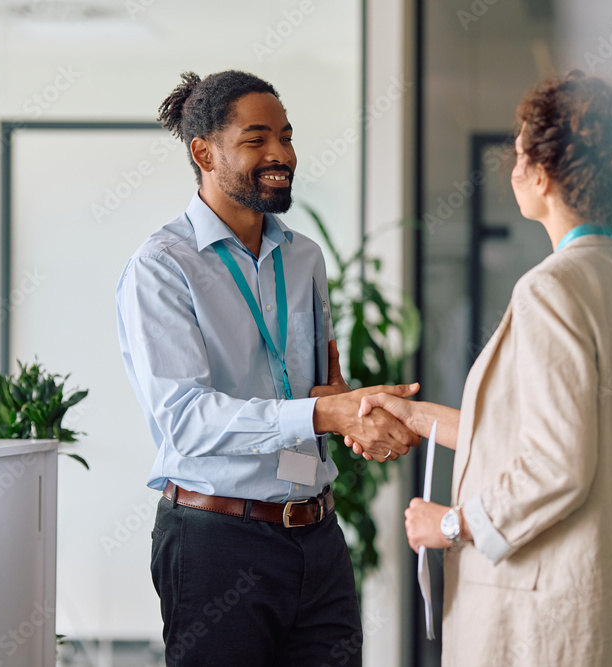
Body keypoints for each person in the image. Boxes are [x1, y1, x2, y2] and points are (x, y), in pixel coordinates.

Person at [353, 70, 612, 665]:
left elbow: (558, 465)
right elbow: (543, 434)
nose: (512, 166)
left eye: (520, 151)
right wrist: (415, 415)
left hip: (544, 617)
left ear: (546, 173)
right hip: (609, 605)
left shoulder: (552, 289)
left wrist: (449, 525)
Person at [115, 70, 419, 666]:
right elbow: (185, 419)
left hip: (317, 538)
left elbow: (314, 390)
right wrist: (323, 410)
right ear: (204, 152)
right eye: (257, 139)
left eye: (286, 135)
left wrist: (349, 412)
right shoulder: (162, 267)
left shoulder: (303, 257)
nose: (280, 153)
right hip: (216, 542)